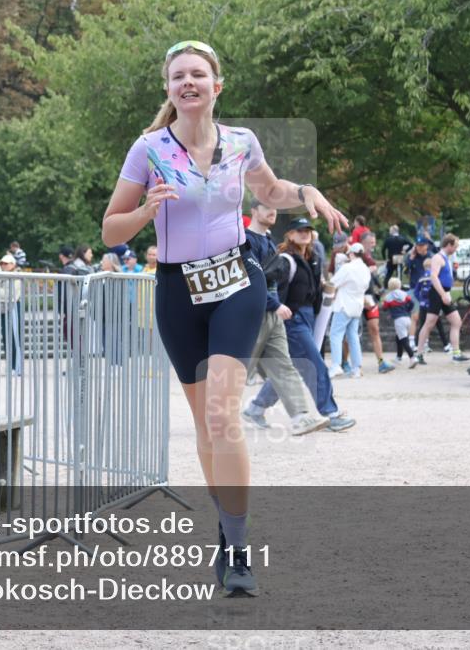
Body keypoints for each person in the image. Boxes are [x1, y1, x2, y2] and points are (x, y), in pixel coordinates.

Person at [101, 40, 347, 597]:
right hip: (176, 291)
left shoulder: (241, 142)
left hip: (237, 279)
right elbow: (110, 229)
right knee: (205, 427)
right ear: (168, 89)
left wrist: (304, 190)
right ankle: (227, 526)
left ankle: (238, 549)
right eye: (177, 76)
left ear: (217, 85)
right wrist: (145, 211)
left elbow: (270, 190)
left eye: (198, 74)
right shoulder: (149, 149)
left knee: (222, 414)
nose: (188, 83)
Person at [250, 218, 354, 429]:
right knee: (315, 365)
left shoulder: (312, 259)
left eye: (307, 230)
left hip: (305, 318)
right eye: (299, 230)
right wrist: (276, 306)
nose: (304, 233)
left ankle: (256, 408)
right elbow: (264, 285)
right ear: (290, 234)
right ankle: (330, 413)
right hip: (291, 319)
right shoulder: (285, 260)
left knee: (292, 368)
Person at [241, 202, 331, 435]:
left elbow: (270, 282)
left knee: (284, 366)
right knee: (240, 368)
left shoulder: (271, 244)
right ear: (254, 211)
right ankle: (217, 415)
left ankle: (301, 417)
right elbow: (250, 279)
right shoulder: (244, 241)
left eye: (274, 208)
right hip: (251, 315)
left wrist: (275, 305)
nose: (272, 211)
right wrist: (275, 303)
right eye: (266, 207)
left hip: (272, 315)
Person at [415, 234, 469, 364]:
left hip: (444, 292)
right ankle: (418, 354)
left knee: (456, 321)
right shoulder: (437, 258)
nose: (456, 249)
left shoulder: (446, 258)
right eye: (455, 246)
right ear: (449, 245)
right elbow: (434, 277)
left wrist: (446, 293)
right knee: (429, 323)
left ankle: (456, 353)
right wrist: (443, 294)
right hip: (438, 293)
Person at [328, 243, 370, 378]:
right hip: (357, 307)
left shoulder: (347, 268)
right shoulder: (365, 269)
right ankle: (357, 368)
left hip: (344, 305)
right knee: (353, 336)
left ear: (351, 254)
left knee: (335, 334)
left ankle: (336, 365)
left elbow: (333, 283)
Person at [359, 231, 394, 373]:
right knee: (352, 332)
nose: (373, 245)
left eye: (374, 242)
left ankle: (381, 362)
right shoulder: (356, 254)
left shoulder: (370, 257)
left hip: (370, 297)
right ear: (363, 242)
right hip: (356, 298)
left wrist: (380, 288)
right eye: (371, 243)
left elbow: (372, 277)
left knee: (375, 329)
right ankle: (347, 363)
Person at [382, 277, 418, 368]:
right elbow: (412, 303)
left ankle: (413, 357)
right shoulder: (405, 294)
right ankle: (399, 357)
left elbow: (384, 308)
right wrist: (407, 310)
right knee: (399, 337)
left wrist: (390, 309)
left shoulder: (388, 296)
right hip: (407, 318)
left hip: (399, 320)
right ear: (399, 285)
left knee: (404, 340)